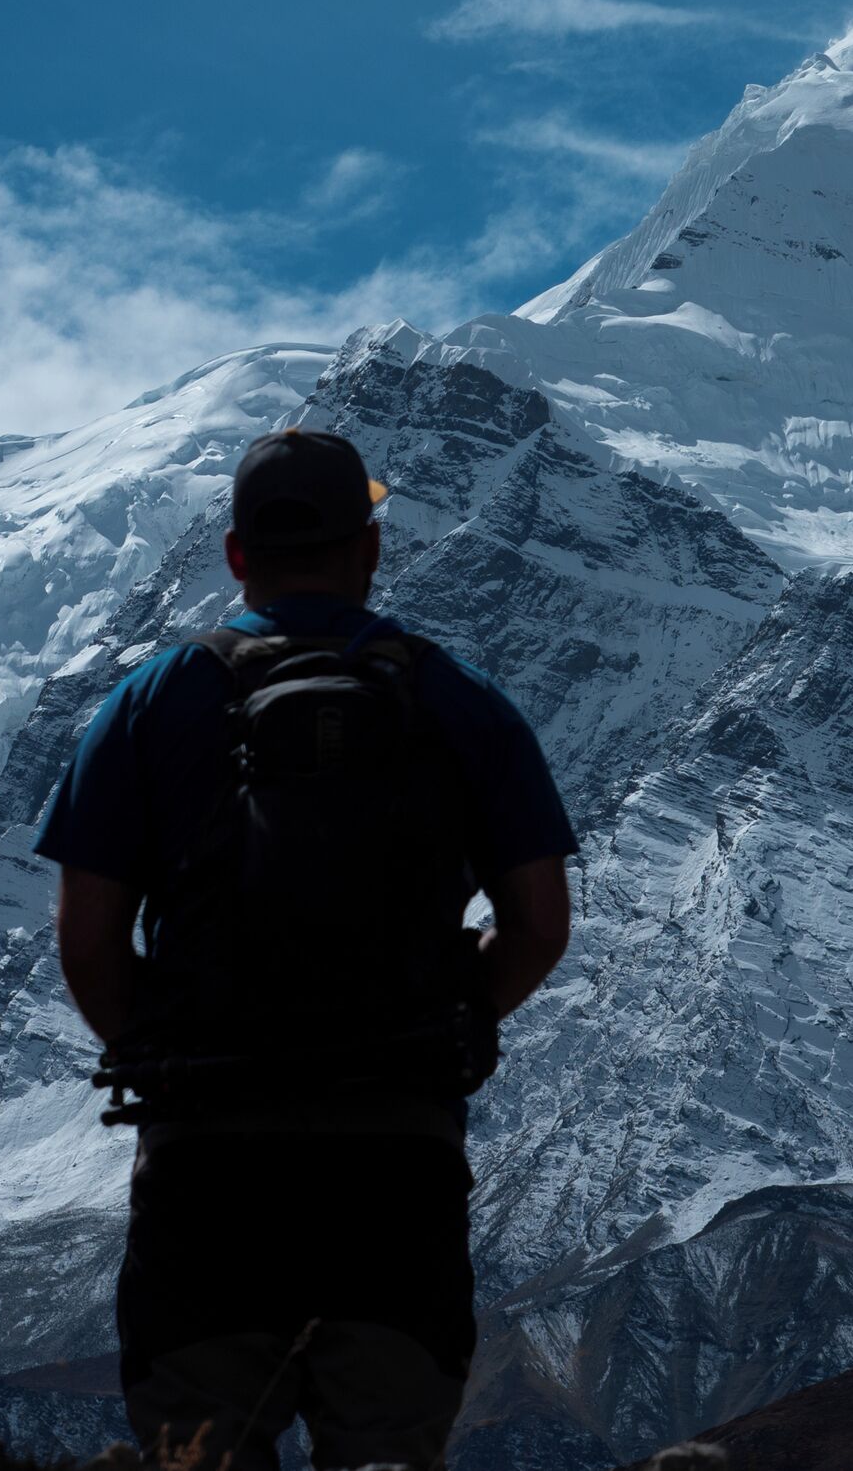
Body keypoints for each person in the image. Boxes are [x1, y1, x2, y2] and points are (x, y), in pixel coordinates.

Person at [37, 429, 573, 1471]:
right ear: (370, 547)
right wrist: (451, 1022)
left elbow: (89, 943)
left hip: (207, 1168)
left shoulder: (146, 704)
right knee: (385, 1451)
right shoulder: (460, 703)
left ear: (237, 555)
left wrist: (174, 1051)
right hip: (395, 1160)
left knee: (203, 1451)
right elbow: (541, 924)